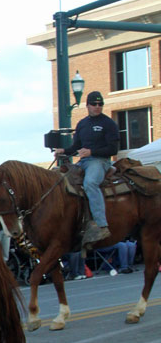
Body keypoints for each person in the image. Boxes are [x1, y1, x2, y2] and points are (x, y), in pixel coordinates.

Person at [54, 91, 119, 246]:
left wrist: (92, 152)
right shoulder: (82, 124)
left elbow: (113, 149)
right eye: (94, 104)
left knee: (90, 183)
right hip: (82, 162)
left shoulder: (108, 123)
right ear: (87, 105)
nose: (97, 107)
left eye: (100, 104)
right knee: (59, 179)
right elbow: (76, 147)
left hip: (99, 161)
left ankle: (101, 224)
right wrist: (64, 151)